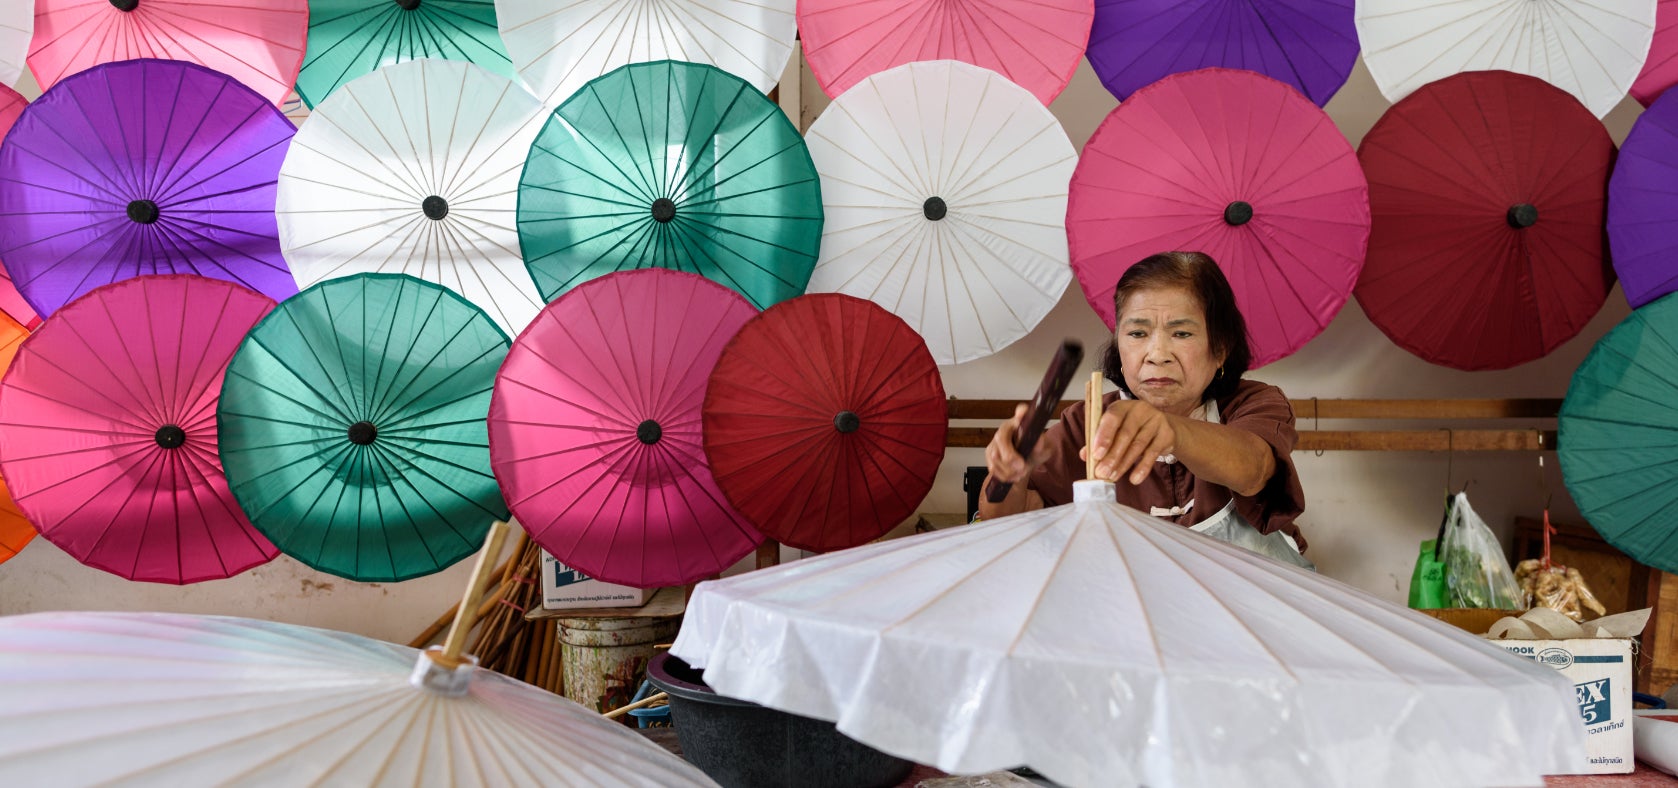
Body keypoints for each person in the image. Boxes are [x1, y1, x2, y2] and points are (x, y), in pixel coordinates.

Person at [979, 251, 1310, 567]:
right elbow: (1009, 522)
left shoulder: (1253, 404)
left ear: (1220, 349)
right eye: (1137, 333)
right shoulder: (1086, 423)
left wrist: (1170, 430)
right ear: (1119, 346)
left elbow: (1254, 470)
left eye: (1181, 333)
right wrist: (1009, 475)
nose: (1157, 353)